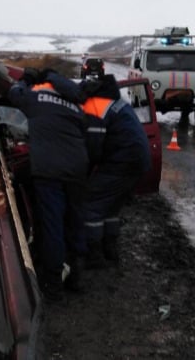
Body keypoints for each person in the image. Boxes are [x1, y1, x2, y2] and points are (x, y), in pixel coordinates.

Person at [8, 67, 89, 301]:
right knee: (75, 221)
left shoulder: (36, 97)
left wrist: (24, 79)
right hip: (77, 169)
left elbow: (14, 94)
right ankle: (77, 278)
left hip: (49, 171)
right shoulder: (74, 105)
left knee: (52, 224)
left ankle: (53, 286)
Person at [79, 74, 151, 268]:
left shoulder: (96, 106)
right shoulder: (118, 103)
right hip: (139, 161)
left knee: (91, 204)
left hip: (121, 162)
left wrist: (83, 173)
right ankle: (110, 249)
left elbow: (93, 147)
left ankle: (94, 256)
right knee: (111, 206)